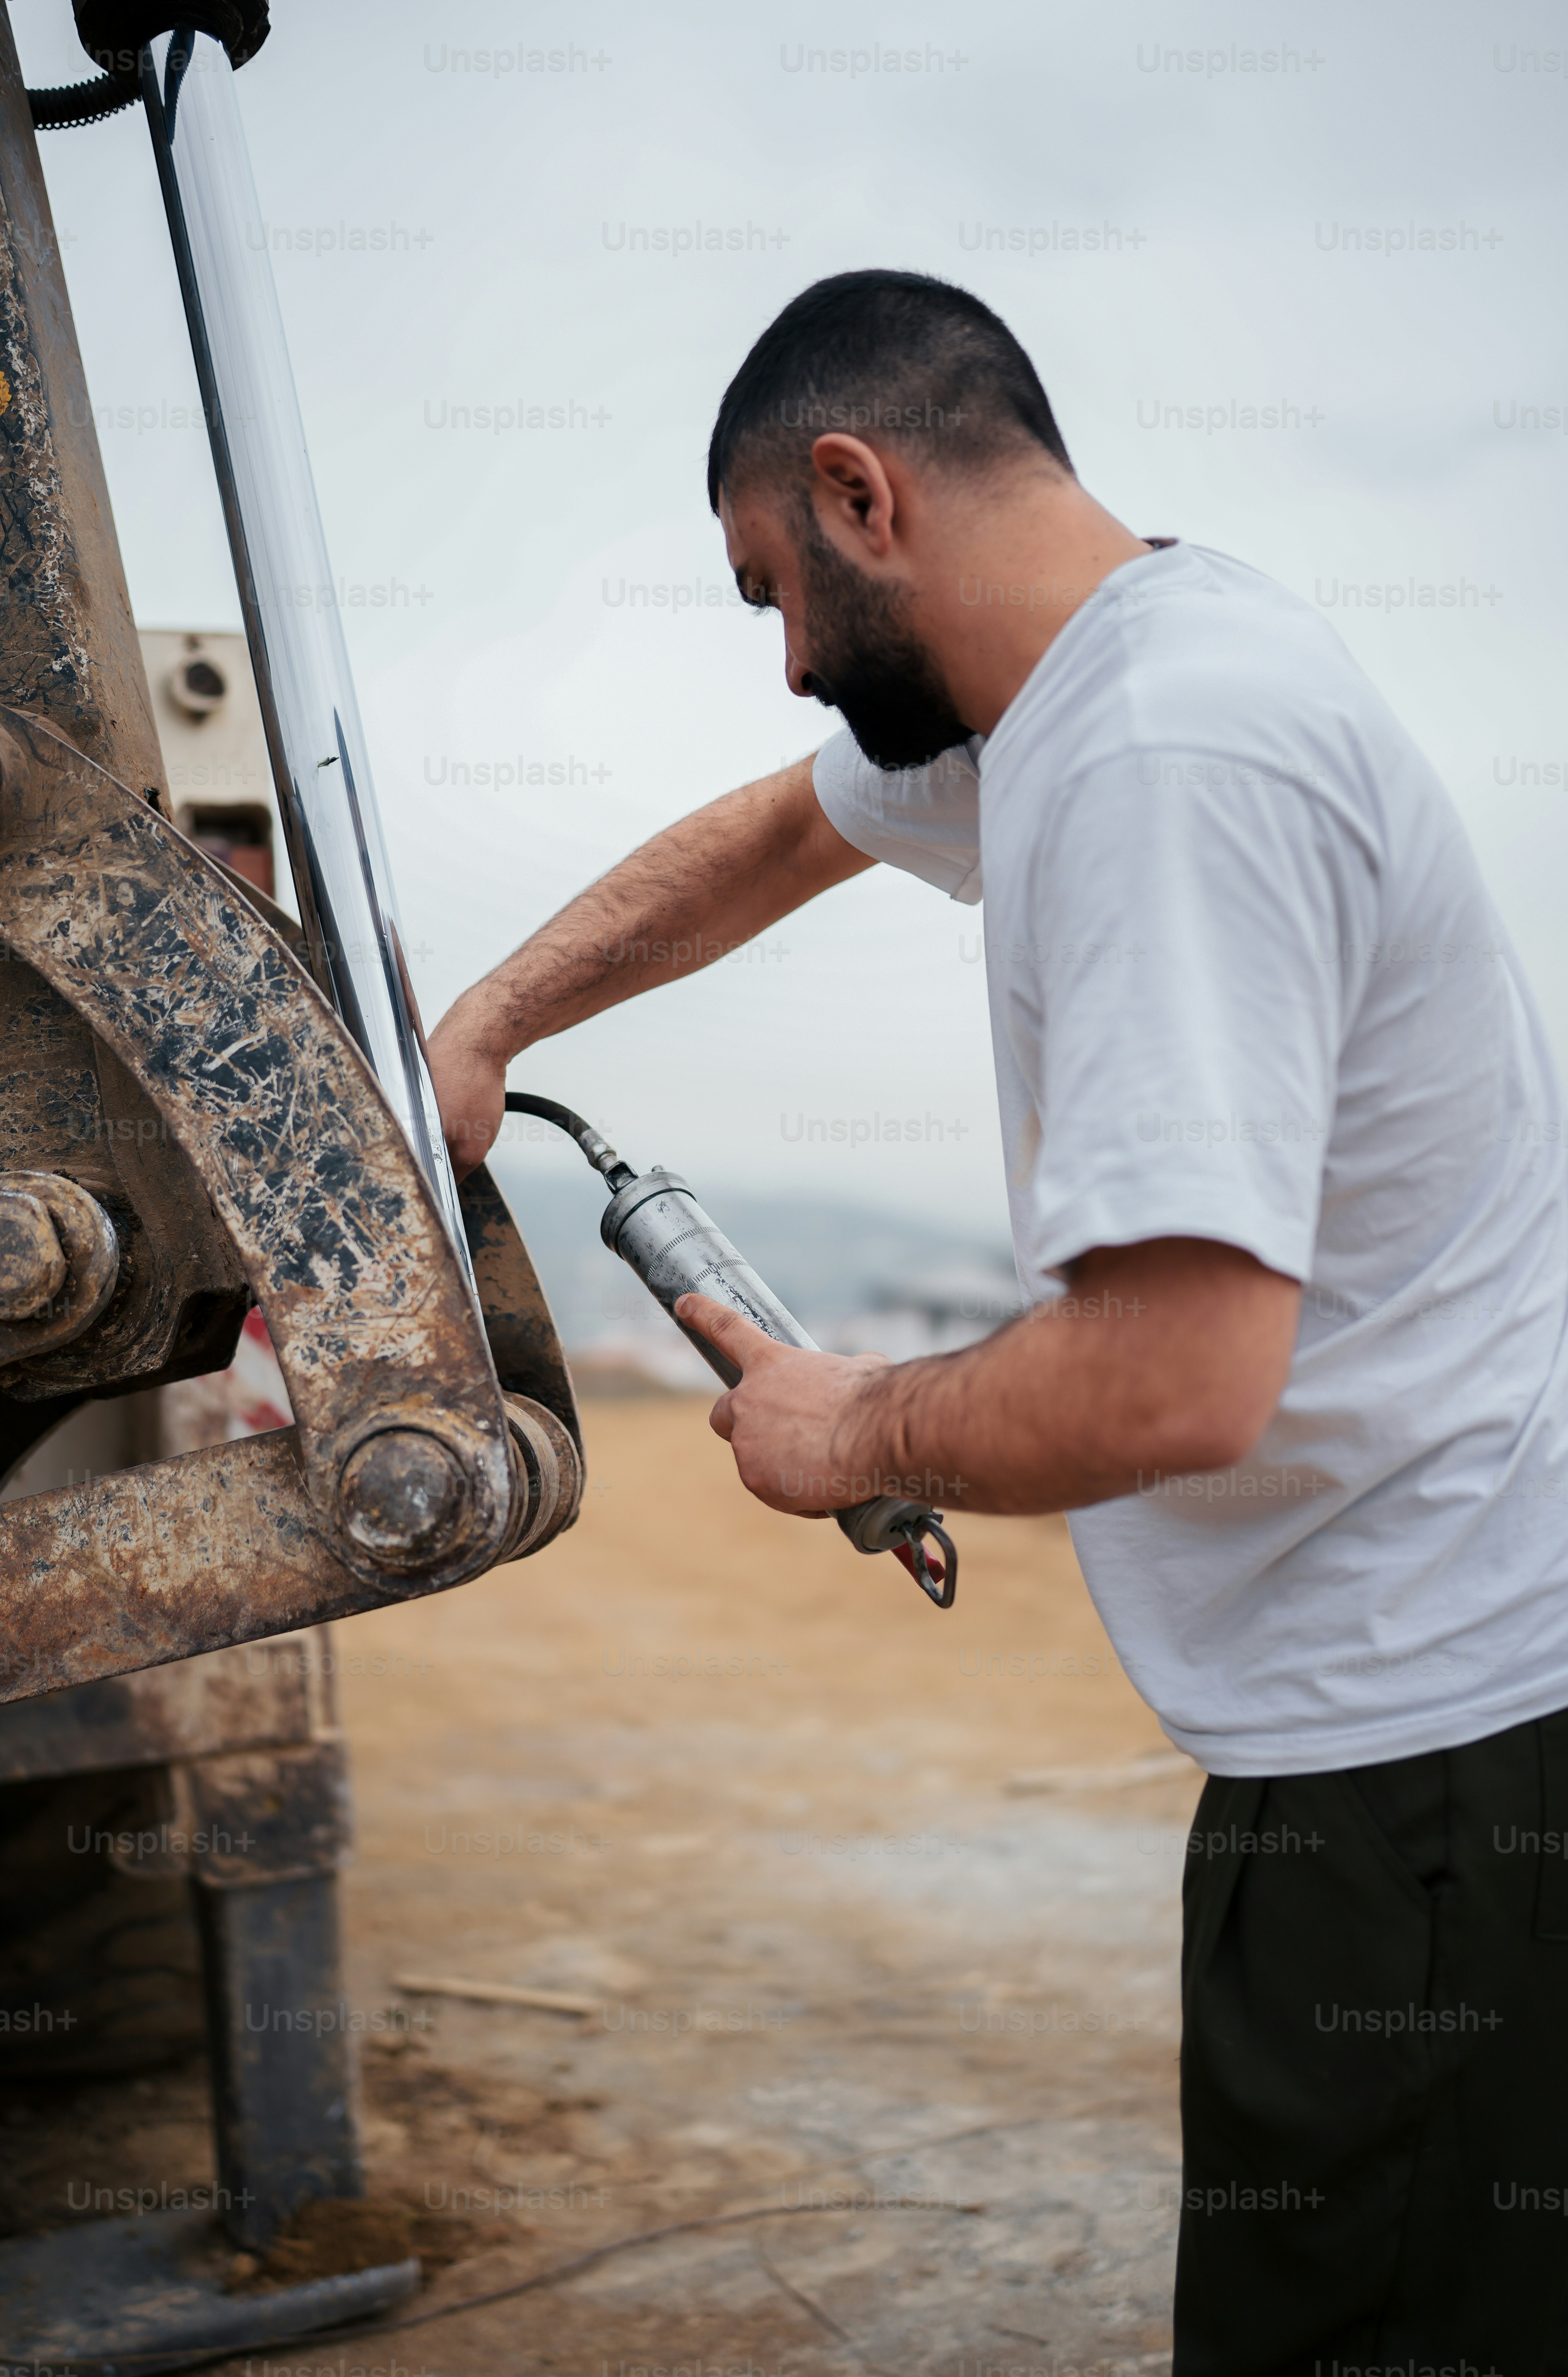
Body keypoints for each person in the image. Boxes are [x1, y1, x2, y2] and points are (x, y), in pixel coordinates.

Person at [427, 269, 1568, 2372]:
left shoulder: (1160, 754)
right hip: (1423, 1731)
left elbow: (1173, 1377)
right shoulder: (1087, 691)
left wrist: (853, 1429)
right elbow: (781, 834)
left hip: (1425, 1767)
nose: (784, 664)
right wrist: (493, 1020)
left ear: (862, 492)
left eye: (773, 587)